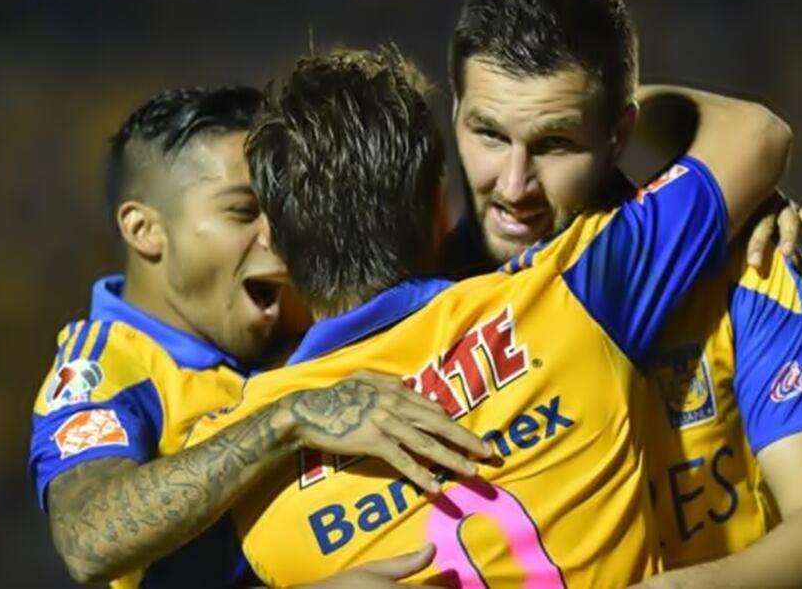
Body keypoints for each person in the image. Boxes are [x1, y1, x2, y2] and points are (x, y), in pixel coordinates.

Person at [184, 44, 789, 586]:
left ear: (276, 245)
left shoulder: (231, 470)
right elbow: (755, 134)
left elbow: (97, 551)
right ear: (438, 208)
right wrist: (609, 121)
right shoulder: (569, 292)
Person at [442, 0, 802, 587]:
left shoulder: (746, 263)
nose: (513, 186)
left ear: (621, 132)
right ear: (456, 111)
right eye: (488, 134)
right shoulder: (421, 301)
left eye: (555, 143)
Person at [28, 87, 488, 587]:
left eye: (282, 210)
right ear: (144, 230)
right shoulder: (105, 367)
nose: (276, 236)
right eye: (243, 212)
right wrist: (286, 419)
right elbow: (89, 539)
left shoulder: (285, 311)